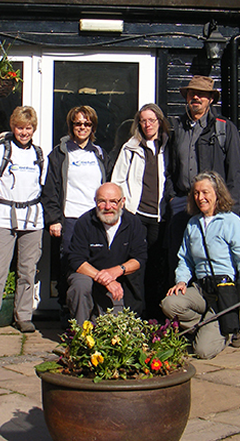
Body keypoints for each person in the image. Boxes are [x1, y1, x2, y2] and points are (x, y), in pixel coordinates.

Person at [161, 171, 240, 360]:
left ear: (217, 193)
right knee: (170, 304)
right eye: (196, 193)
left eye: (205, 192)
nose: (200, 198)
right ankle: (214, 324)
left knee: (202, 351)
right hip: (202, 289)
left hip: (224, 290)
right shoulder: (193, 224)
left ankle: (231, 325)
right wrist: (181, 281)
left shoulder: (231, 221)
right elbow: (185, 259)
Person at [0, 106, 47, 334]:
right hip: (5, 217)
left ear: (33, 129)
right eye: (19, 127)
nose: (23, 132)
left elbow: (43, 186)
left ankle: (23, 315)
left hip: (32, 219)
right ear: (12, 127)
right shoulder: (2, 151)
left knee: (28, 270)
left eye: (28, 128)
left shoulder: (38, 154)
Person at [164, 75, 240, 283]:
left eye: (201, 94)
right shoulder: (177, 127)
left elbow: (235, 173)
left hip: (213, 206)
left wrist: (230, 210)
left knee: (212, 258)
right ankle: (183, 308)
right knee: (179, 259)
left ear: (210, 99)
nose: (196, 97)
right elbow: (170, 167)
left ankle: (213, 310)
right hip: (182, 203)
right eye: (192, 93)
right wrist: (172, 197)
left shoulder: (224, 128)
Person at [42, 106, 107, 320]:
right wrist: (53, 219)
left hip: (95, 219)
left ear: (93, 127)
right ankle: (67, 309)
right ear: (71, 126)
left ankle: (92, 310)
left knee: (95, 263)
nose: (82, 128)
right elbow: (51, 189)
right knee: (69, 264)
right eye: (78, 123)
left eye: (87, 124)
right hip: (70, 218)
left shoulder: (98, 153)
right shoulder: (60, 153)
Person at [111, 104, 172, 320]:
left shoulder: (168, 146)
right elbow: (117, 180)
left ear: (159, 121)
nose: (147, 124)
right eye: (143, 121)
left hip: (159, 217)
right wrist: (124, 209)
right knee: (135, 267)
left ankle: (154, 317)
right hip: (136, 216)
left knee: (157, 267)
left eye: (151, 120)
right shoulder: (131, 147)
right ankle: (134, 316)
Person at [66, 182, 147, 324]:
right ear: (95, 202)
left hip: (119, 282)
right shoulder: (85, 222)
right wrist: (104, 278)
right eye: (102, 201)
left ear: (122, 202)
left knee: (115, 332)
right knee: (80, 285)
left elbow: (139, 259)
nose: (108, 207)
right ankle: (79, 335)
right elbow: (76, 260)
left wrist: (117, 271)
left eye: (113, 202)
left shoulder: (133, 223)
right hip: (89, 277)